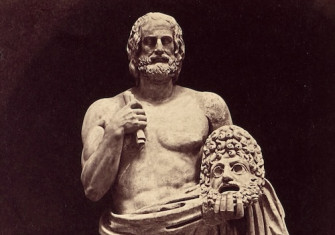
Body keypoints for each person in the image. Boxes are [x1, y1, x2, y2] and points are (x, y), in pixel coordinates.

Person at [81, 12, 288, 235]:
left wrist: (231, 195)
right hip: (130, 227)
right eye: (149, 42)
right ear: (135, 51)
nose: (158, 48)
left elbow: (237, 170)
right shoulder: (105, 110)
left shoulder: (208, 106)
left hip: (198, 226)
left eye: (166, 41)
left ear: (177, 51)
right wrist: (115, 131)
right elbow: (93, 189)